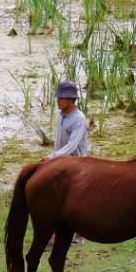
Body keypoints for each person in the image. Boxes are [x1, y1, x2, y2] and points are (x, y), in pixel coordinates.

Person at [43, 80, 89, 247]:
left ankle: (78, 237)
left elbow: (72, 146)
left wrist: (52, 157)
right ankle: (56, 237)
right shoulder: (60, 115)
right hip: (61, 163)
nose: (59, 100)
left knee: (75, 203)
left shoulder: (79, 119)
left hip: (76, 165)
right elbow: (59, 142)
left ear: (72, 100)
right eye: (58, 97)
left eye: (63, 97)